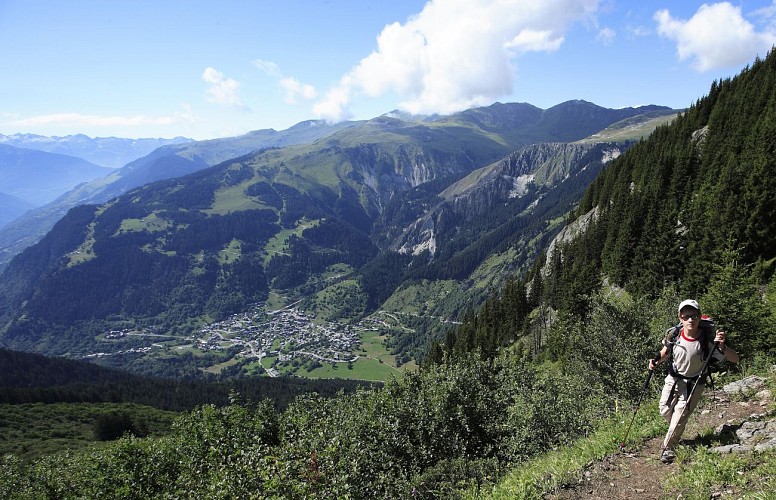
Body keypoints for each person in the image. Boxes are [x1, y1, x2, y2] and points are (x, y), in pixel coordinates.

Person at [648, 299, 739, 463]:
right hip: (673, 379)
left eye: (694, 315)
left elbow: (735, 359)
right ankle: (676, 428)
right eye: (687, 315)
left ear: (699, 317)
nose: (691, 319)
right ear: (680, 317)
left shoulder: (707, 341)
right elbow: (665, 351)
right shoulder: (674, 334)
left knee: (679, 417)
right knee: (664, 410)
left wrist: (723, 346)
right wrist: (655, 361)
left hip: (694, 385)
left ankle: (668, 448)